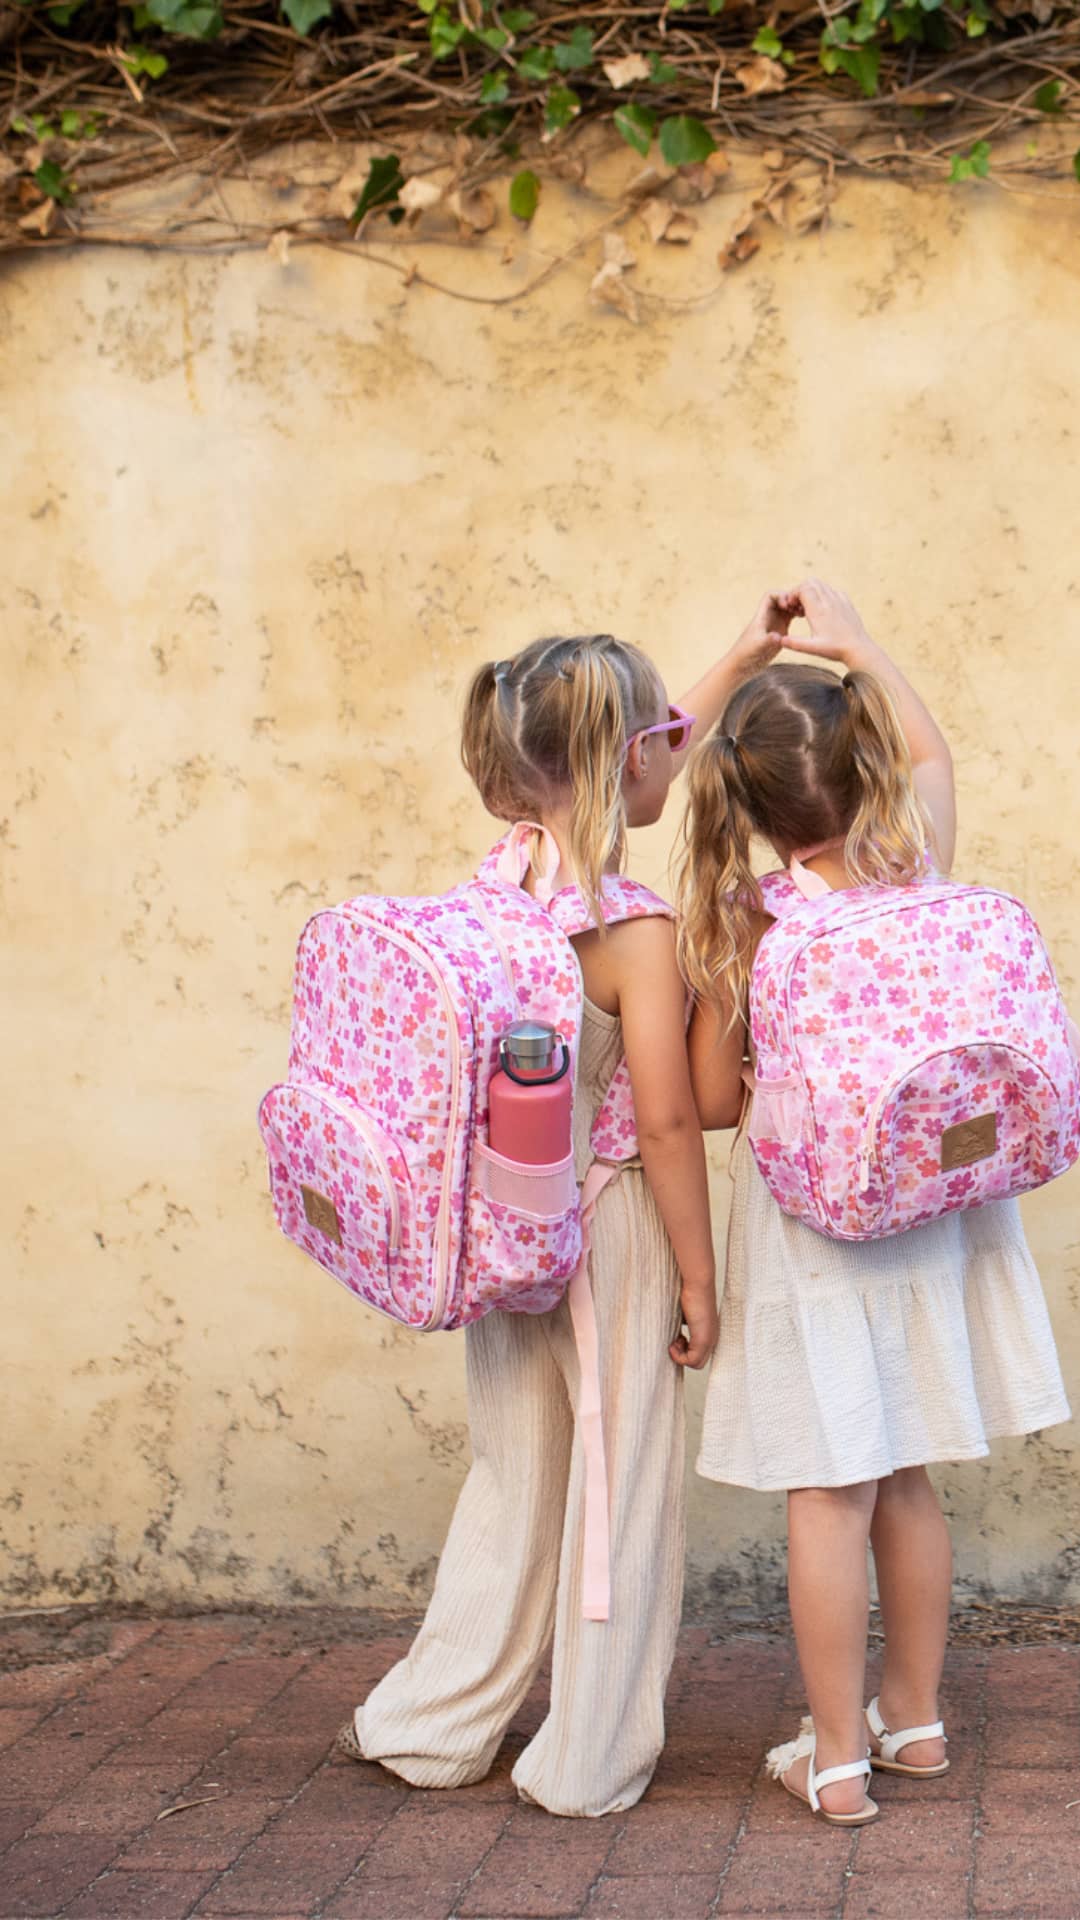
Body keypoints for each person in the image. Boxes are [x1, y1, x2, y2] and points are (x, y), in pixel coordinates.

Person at [343, 614, 787, 1817]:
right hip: (613, 1240)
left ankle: (431, 1723)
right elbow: (665, 1123)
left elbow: (623, 749)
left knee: (514, 1476)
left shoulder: (495, 888)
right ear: (623, 768)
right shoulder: (633, 933)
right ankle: (587, 1755)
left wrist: (739, 657)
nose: (670, 759)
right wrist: (699, 1279)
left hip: (502, 1231)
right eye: (658, 747)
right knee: (620, 1489)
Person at [677, 579, 1071, 1826]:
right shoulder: (918, 862)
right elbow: (929, 748)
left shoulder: (751, 920)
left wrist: (736, 655)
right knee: (902, 1475)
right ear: (864, 767)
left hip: (817, 1241)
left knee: (824, 1488)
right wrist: (851, 638)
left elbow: (715, 1102)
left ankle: (834, 1757)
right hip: (937, 1216)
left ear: (747, 803)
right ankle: (915, 1722)